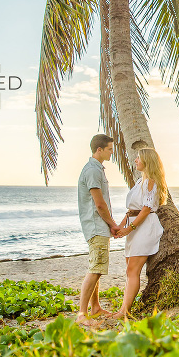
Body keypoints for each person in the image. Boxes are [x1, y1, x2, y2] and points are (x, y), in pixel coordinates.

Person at [111, 147, 166, 319]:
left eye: (138, 158)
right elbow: (132, 210)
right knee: (130, 270)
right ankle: (123, 309)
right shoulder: (140, 181)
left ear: (147, 161)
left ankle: (124, 312)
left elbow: (145, 210)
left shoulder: (151, 181)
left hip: (145, 227)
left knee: (133, 271)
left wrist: (129, 228)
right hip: (135, 226)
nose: (135, 160)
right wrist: (121, 226)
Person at [76, 134, 121, 326]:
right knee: (95, 269)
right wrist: (113, 224)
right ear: (99, 149)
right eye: (110, 149)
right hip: (96, 225)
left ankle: (95, 307)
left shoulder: (96, 169)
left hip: (96, 225)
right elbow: (100, 204)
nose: (112, 152)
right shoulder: (93, 171)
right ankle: (81, 314)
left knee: (97, 267)